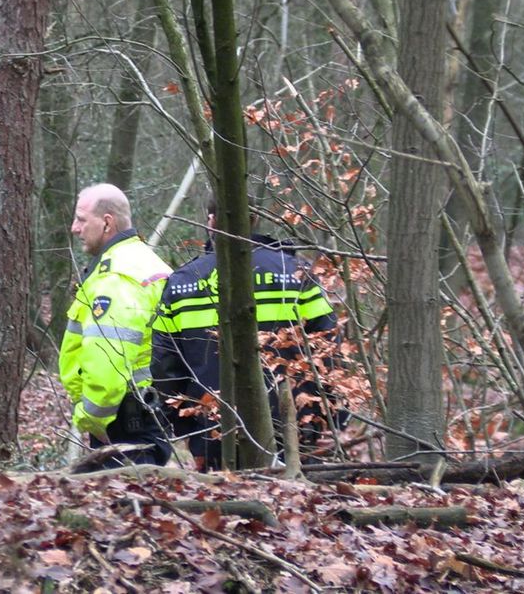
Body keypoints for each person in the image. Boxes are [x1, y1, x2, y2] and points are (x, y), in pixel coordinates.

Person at [151, 197, 343, 472]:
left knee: (225, 509)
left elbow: (164, 367)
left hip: (213, 429)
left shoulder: (183, 281)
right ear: (254, 220)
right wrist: (325, 418)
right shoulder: (297, 273)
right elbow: (329, 349)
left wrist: (186, 427)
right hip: (293, 430)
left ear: (211, 222)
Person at [60, 183, 173, 469]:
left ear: (107, 222)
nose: (75, 228)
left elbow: (108, 356)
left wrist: (92, 417)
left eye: (82, 219)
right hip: (146, 413)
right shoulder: (145, 263)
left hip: (124, 421)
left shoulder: (117, 277)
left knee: (127, 506)